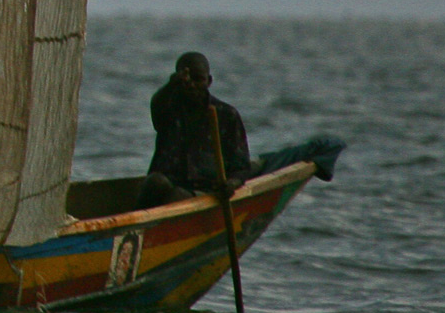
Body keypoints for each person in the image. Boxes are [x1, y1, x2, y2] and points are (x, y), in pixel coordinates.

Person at [139, 52, 346, 207]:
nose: (192, 85)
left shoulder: (225, 115)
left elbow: (241, 166)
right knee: (154, 182)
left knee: (178, 197)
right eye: (187, 80)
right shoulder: (169, 108)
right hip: (171, 181)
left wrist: (233, 183)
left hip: (204, 190)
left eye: (198, 79)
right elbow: (157, 105)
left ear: (209, 81)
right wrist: (171, 84)